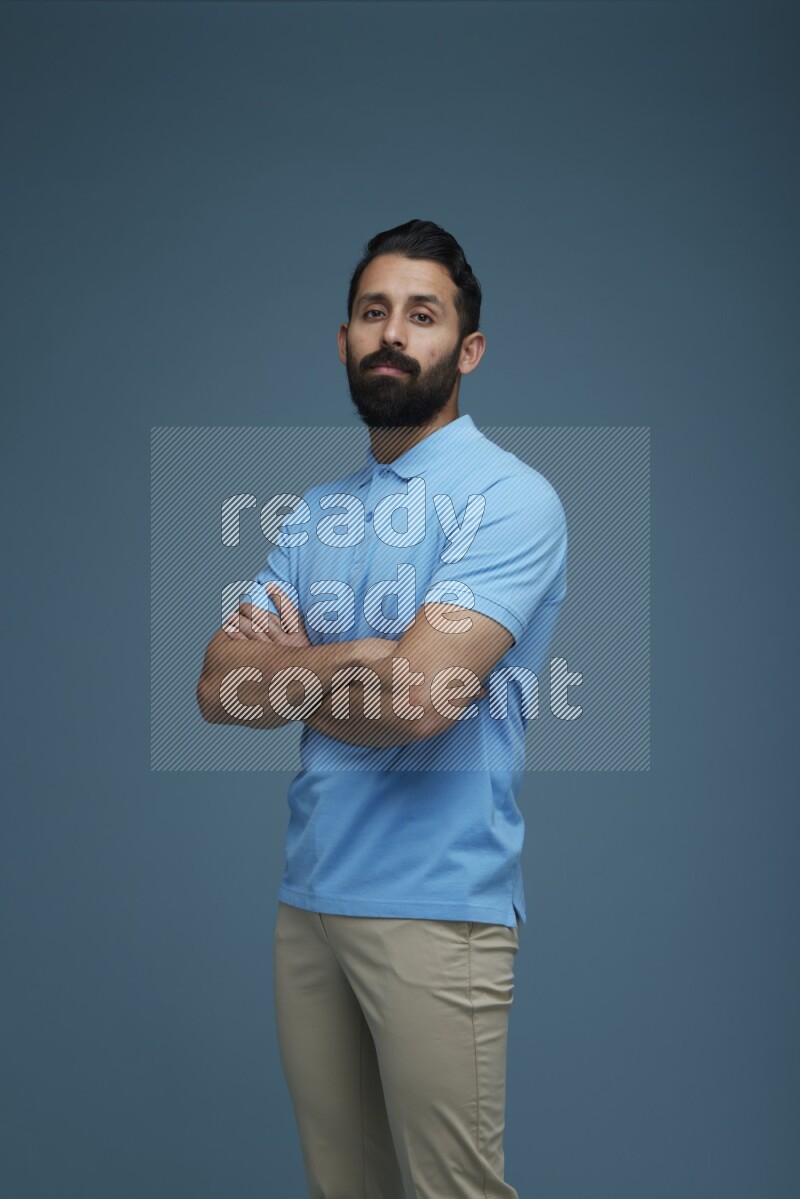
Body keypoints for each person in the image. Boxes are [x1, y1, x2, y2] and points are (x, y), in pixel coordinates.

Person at [196, 218, 568, 1199]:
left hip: (436, 906)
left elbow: (417, 701)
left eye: (421, 313)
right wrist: (352, 657)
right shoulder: (316, 512)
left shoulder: (507, 498)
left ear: (466, 347)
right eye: (373, 312)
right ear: (343, 339)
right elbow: (214, 686)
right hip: (308, 902)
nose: (392, 333)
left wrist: (296, 679)